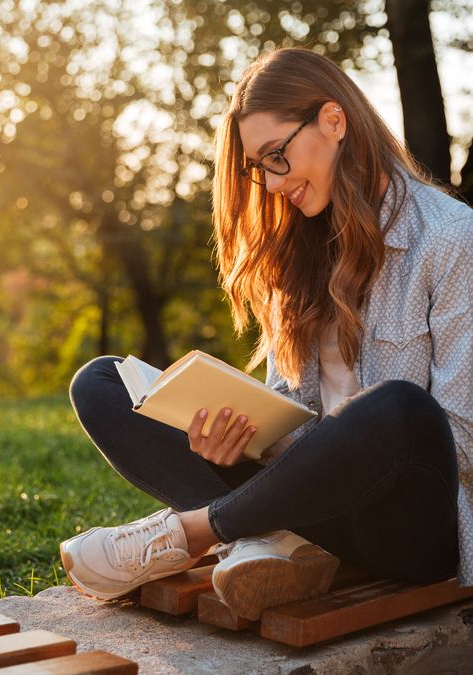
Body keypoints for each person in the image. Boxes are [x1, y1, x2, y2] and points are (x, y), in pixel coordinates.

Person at [59, 48, 473, 619]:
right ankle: (271, 540)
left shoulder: (452, 240)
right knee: (103, 383)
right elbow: (289, 406)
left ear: (334, 121)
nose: (274, 182)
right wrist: (240, 433)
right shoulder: (298, 251)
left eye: (278, 155)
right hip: (307, 505)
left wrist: (335, 448)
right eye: (260, 167)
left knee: (400, 409)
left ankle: (195, 532)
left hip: (409, 529)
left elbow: (461, 440)